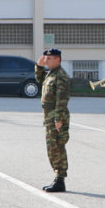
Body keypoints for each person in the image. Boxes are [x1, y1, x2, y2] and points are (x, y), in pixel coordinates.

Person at [37, 48, 71, 192]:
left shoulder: (61, 76)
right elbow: (39, 79)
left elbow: (61, 100)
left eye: (49, 59)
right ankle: (57, 177)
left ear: (58, 59)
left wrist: (58, 119)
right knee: (52, 148)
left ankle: (60, 180)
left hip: (56, 117)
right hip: (49, 116)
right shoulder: (51, 74)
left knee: (57, 148)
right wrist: (39, 66)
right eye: (46, 58)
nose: (47, 61)